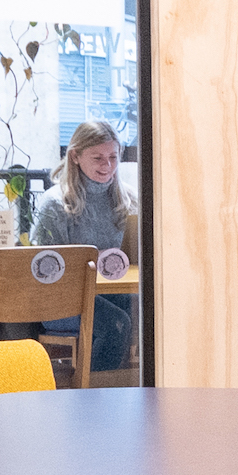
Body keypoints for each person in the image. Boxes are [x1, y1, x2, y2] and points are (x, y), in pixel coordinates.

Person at [32, 119, 139, 375]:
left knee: (148, 313)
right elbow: (43, 267)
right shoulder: (55, 203)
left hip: (110, 291)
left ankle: (124, 386)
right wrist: (89, 259)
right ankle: (95, 389)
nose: (107, 165)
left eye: (113, 157)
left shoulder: (129, 199)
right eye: (98, 158)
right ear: (75, 157)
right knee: (117, 323)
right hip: (63, 298)